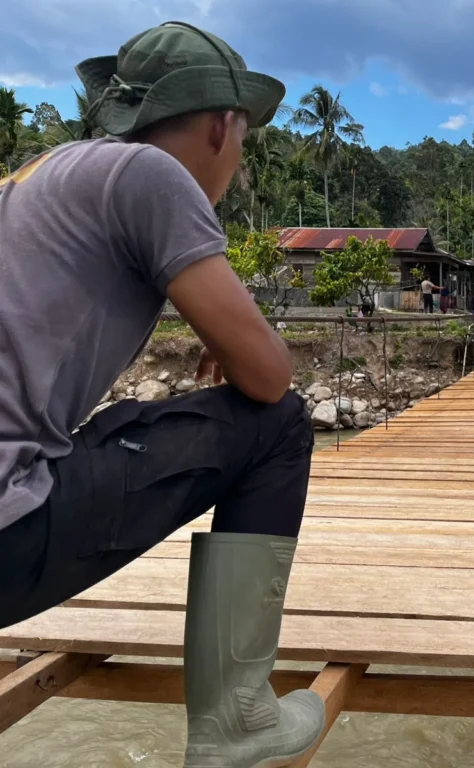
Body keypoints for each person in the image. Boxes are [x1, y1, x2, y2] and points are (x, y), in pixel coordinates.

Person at [0, 22, 326, 768]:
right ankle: (237, 722)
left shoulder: (36, 176)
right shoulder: (151, 176)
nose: (238, 165)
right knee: (279, 422)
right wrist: (241, 339)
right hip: (6, 534)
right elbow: (269, 375)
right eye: (242, 145)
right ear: (221, 126)